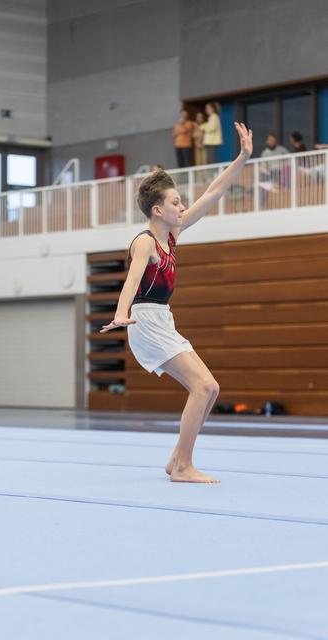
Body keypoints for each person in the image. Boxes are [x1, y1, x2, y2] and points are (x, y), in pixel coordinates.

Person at [100, 123, 253, 483]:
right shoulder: (145, 243)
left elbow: (213, 192)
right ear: (157, 209)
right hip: (144, 322)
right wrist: (121, 314)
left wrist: (243, 158)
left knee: (210, 388)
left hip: (162, 320)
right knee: (202, 387)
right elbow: (132, 280)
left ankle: (176, 459)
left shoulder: (173, 233)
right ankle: (182, 466)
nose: (182, 206)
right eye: (175, 202)